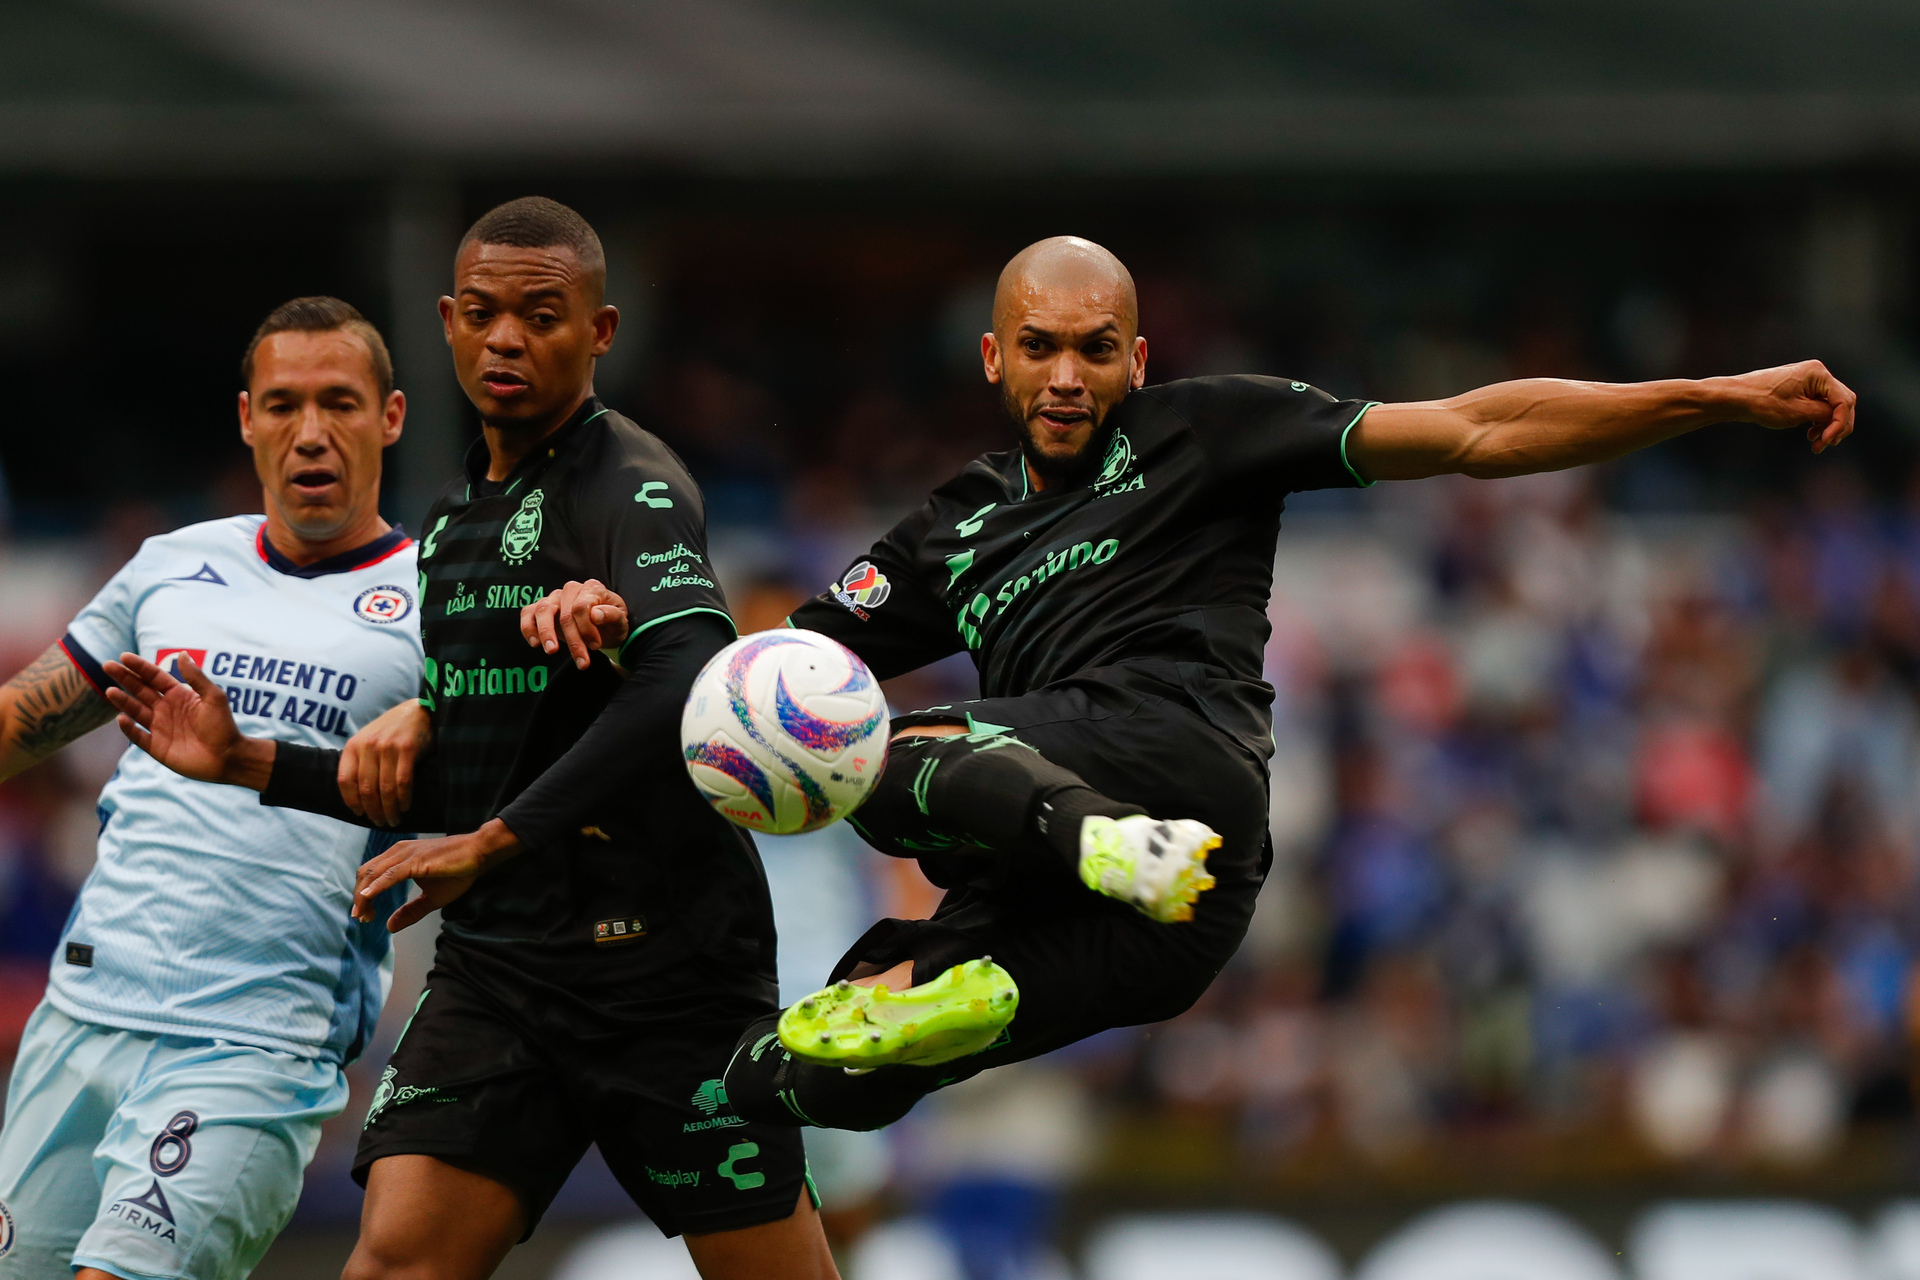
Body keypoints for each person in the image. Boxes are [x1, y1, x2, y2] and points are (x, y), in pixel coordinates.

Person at [524, 234, 1857, 1136]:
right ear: (993, 360)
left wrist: (1713, 396)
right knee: (807, 1078)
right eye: (1039, 348)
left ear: (1138, 359)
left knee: (872, 762)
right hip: (1152, 926)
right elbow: (762, 683)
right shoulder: (950, 530)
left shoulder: (1208, 432)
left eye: (1095, 349)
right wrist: (617, 617)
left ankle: (1094, 842)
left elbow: (1473, 428)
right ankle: (968, 973)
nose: (1066, 376)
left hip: (1178, 777)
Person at [105, 198, 837, 1280]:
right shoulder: (449, 527)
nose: (507, 339)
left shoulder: (632, 485)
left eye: (541, 316)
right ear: (447, 321)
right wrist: (248, 761)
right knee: (393, 1261)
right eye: (485, 313)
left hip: (669, 975)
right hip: (504, 977)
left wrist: (491, 840)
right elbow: (464, 773)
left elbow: (687, 675)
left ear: (599, 333)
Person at [0, 297, 422, 1280]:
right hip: (86, 1008)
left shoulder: (437, 599)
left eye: (340, 403)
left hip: (255, 1037)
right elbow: (26, 717)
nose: (310, 432)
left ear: (390, 416)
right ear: (247, 418)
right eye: (283, 404)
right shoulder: (174, 566)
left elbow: (480, 785)